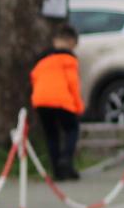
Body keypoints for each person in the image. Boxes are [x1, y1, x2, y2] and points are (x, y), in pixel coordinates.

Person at [31, 22, 84, 182]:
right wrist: (78, 106)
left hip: (41, 101)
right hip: (62, 100)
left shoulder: (42, 60)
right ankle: (66, 160)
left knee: (51, 135)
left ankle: (57, 171)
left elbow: (34, 78)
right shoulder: (69, 59)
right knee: (71, 129)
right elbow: (73, 84)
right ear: (70, 42)